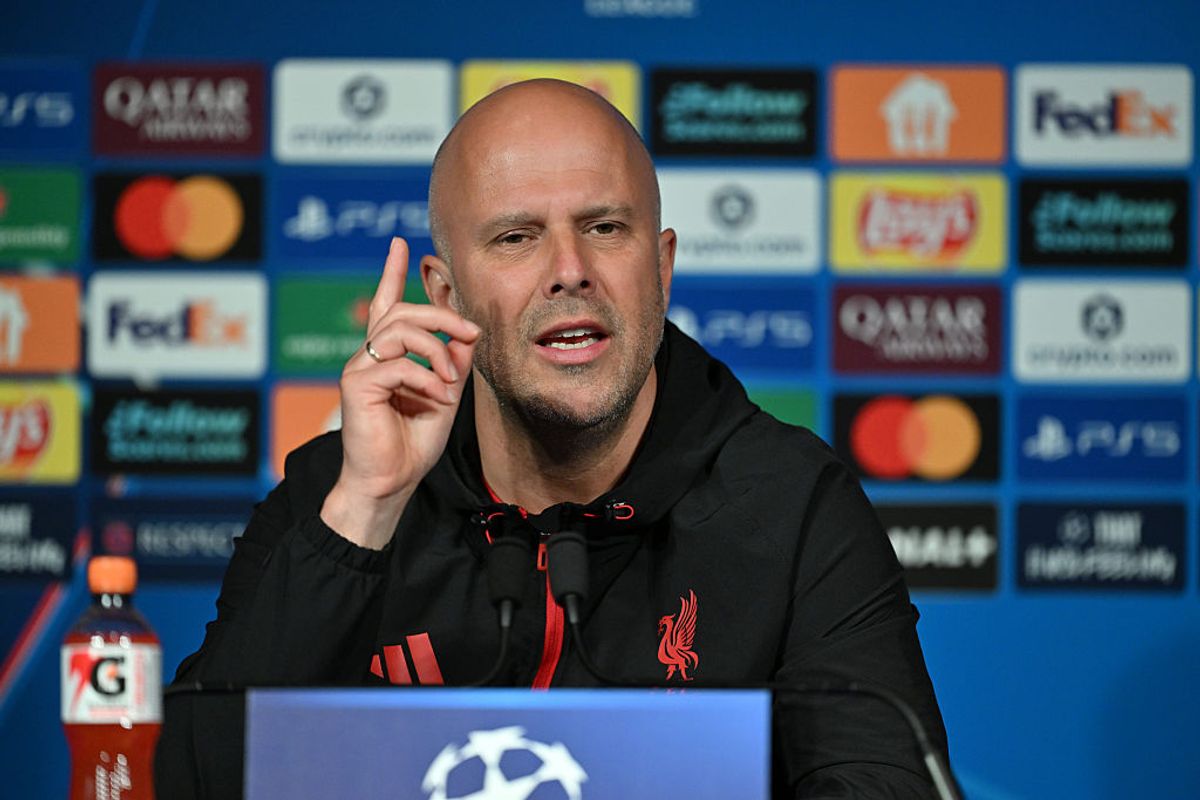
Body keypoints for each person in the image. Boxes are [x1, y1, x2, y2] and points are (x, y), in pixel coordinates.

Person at [155, 78, 949, 799]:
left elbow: (890, 785)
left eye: (605, 227)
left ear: (663, 267)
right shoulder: (335, 493)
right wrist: (363, 515)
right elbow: (194, 784)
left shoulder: (792, 504)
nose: (570, 269)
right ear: (444, 292)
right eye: (515, 238)